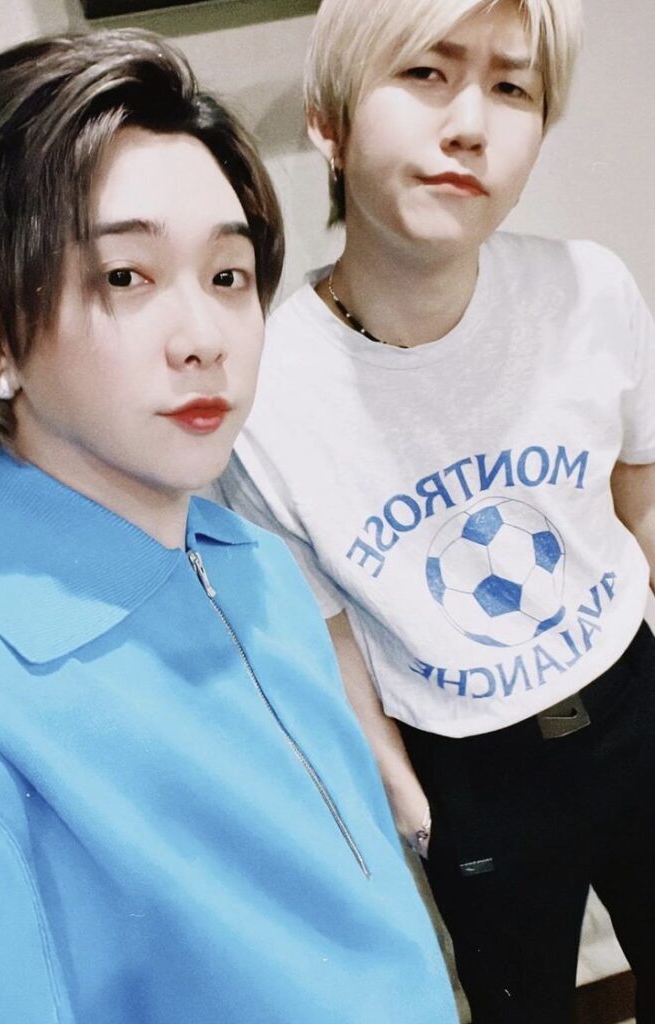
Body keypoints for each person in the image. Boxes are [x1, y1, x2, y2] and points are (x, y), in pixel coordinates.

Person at [0, 29, 459, 1024]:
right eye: (126, 276)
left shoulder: (252, 563)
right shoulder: (2, 695)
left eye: (229, 276)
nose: (204, 339)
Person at [216, 0, 655, 1020]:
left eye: (510, 86)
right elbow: (327, 627)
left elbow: (640, 490)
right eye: (425, 72)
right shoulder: (266, 392)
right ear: (328, 120)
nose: (469, 124)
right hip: (469, 774)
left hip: (631, 703)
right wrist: (403, 792)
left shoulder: (589, 292)